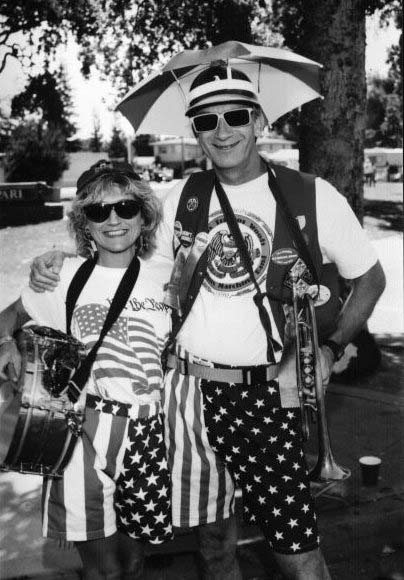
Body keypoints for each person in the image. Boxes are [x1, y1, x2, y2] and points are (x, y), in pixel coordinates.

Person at [29, 65, 386, 579]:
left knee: (296, 550)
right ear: (194, 131)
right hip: (182, 395)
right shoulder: (181, 198)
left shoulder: (311, 194)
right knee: (207, 543)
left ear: (258, 121)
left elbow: (369, 280)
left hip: (264, 396)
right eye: (205, 120)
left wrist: (330, 348)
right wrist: (61, 260)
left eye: (235, 115)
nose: (222, 131)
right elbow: (121, 250)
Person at [0, 161, 174, 580]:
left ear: (144, 215)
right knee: (105, 569)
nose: (113, 220)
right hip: (83, 431)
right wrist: (8, 345)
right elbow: (7, 319)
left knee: (133, 563)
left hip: (148, 432)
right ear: (84, 223)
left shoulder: (168, 277)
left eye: (125, 207)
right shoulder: (64, 277)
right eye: (98, 211)